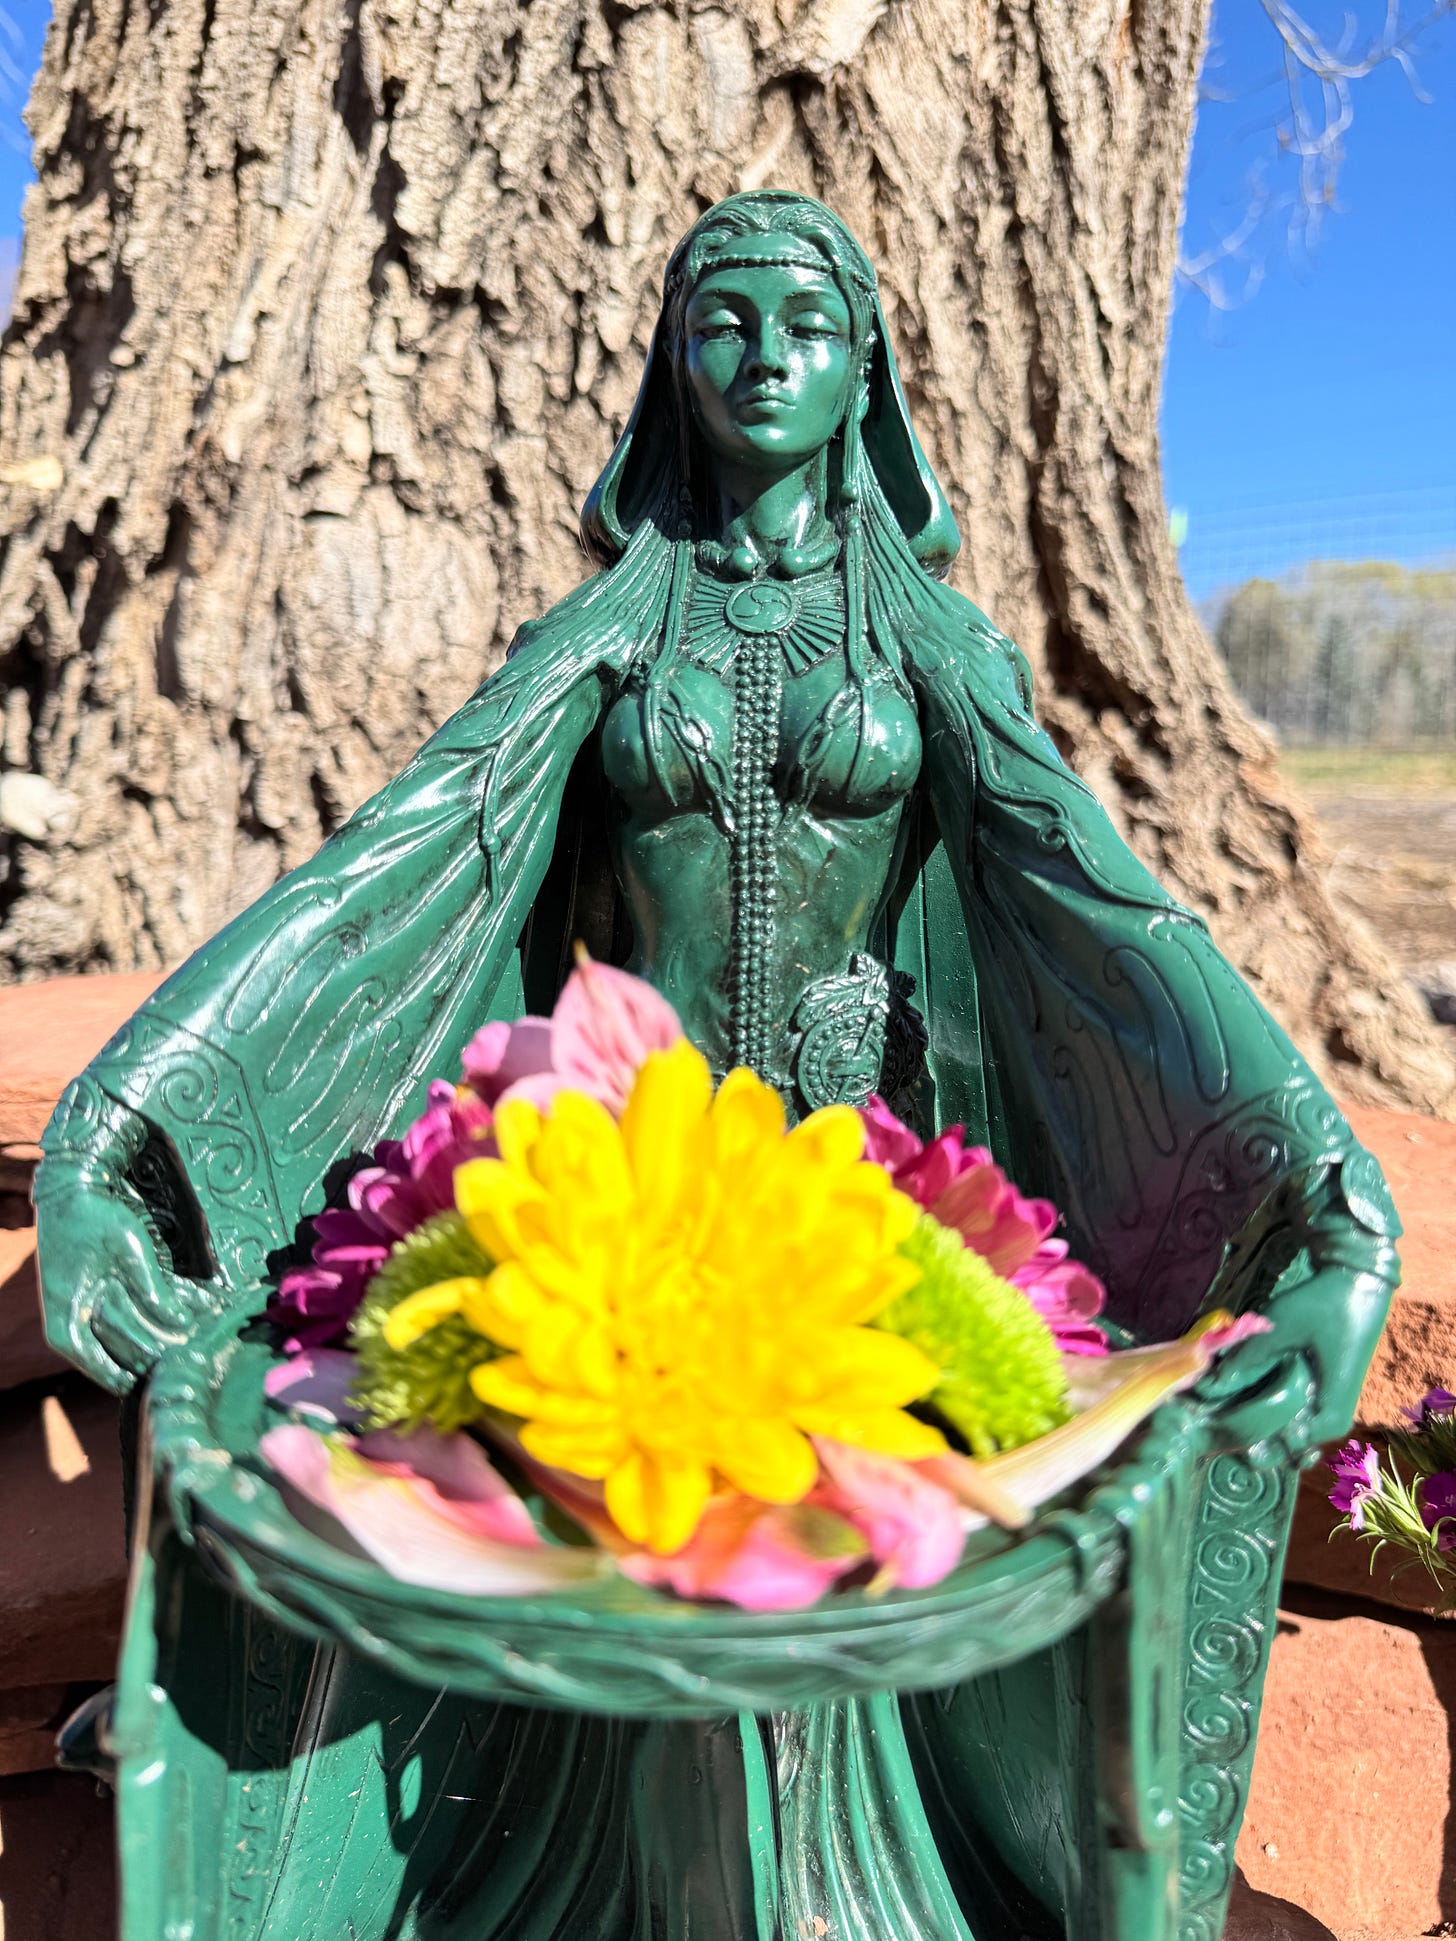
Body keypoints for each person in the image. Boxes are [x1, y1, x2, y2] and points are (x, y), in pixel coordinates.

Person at [37, 193, 1392, 1941]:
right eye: (724, 323)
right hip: (625, 1181)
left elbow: (1105, 903)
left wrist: (1335, 1208)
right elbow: (406, 856)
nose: (765, 359)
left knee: (834, 1578)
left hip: (856, 1207)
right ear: (673, 362)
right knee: (608, 1538)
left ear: (867, 372)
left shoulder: (929, 647)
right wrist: (127, 1128)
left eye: (806, 329)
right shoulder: (611, 633)